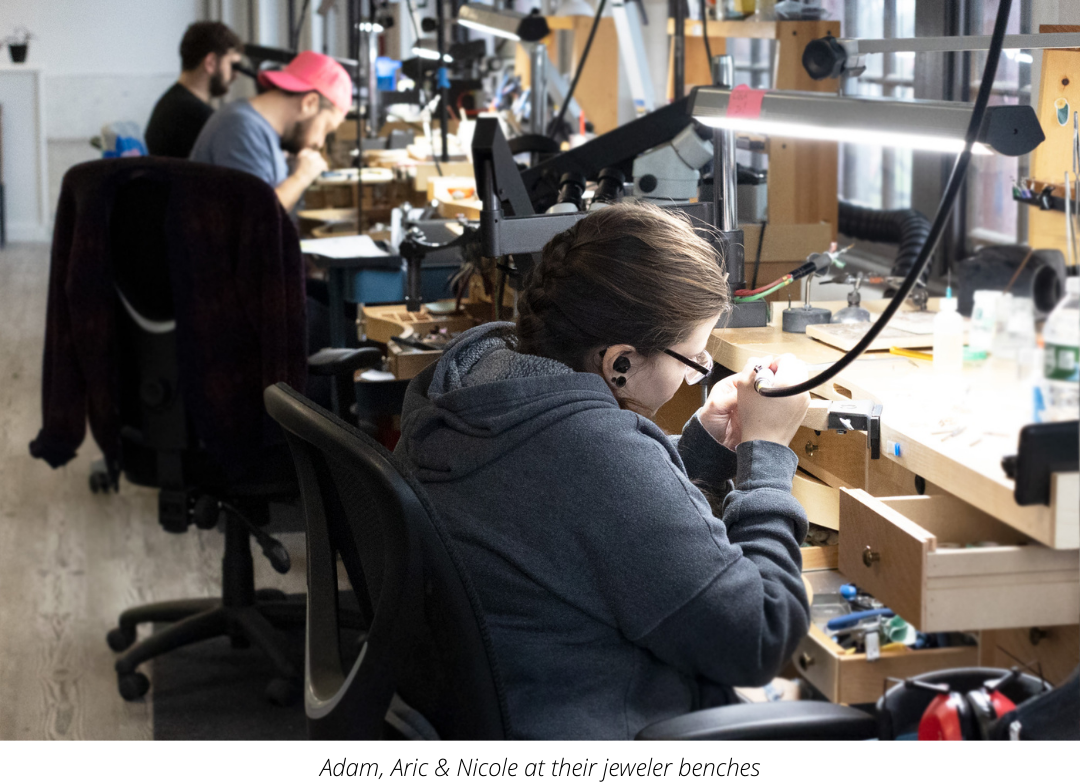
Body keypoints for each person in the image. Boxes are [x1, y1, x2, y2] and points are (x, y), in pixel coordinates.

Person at [395, 203, 813, 740]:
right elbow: (760, 639)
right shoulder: (593, 451)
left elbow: (590, 516)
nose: (694, 382)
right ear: (619, 362)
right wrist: (768, 453)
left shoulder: (473, 383)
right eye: (692, 362)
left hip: (513, 699)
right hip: (600, 726)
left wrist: (704, 447)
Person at [189, 50, 350, 211]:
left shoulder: (260, 130)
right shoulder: (241, 127)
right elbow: (257, 218)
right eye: (326, 129)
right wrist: (302, 176)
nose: (319, 142)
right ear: (309, 103)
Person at [145, 22, 243, 158]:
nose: (235, 75)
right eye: (233, 65)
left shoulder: (170, 103)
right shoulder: (198, 116)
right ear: (211, 62)